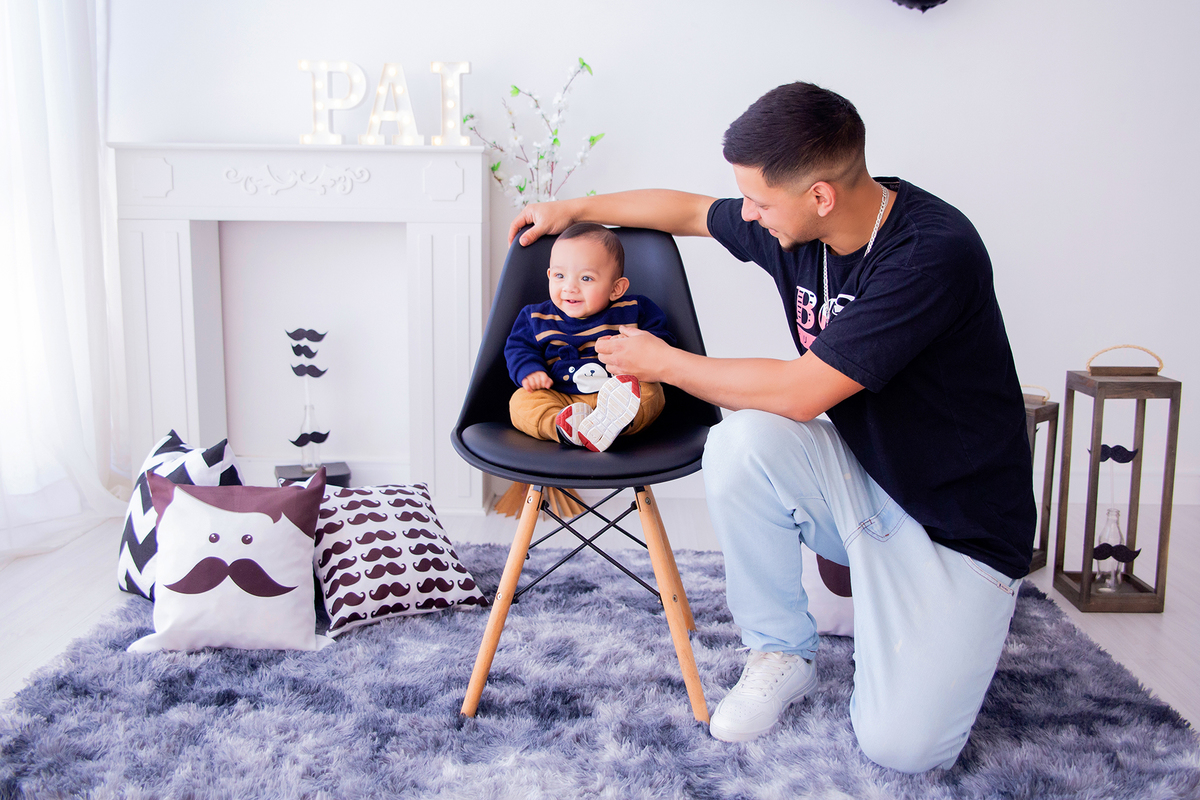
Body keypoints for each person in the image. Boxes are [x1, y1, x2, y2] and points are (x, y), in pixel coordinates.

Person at [508, 82, 1035, 773]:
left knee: (903, 750)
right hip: (862, 485)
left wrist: (665, 363)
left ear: (819, 196)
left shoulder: (931, 253)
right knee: (737, 443)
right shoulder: (795, 224)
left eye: (758, 201)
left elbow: (802, 392)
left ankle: (917, 618)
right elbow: (691, 212)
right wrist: (574, 207)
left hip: (957, 531)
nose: (747, 214)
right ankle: (782, 651)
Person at [505, 222, 674, 452]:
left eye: (586, 278)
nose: (569, 287)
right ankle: (562, 427)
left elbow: (661, 343)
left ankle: (613, 426)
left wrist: (635, 346)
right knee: (521, 402)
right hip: (560, 397)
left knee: (652, 394)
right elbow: (518, 348)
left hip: (619, 395)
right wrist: (530, 370)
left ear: (616, 288)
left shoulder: (634, 309)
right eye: (560, 275)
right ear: (549, 275)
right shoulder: (536, 317)